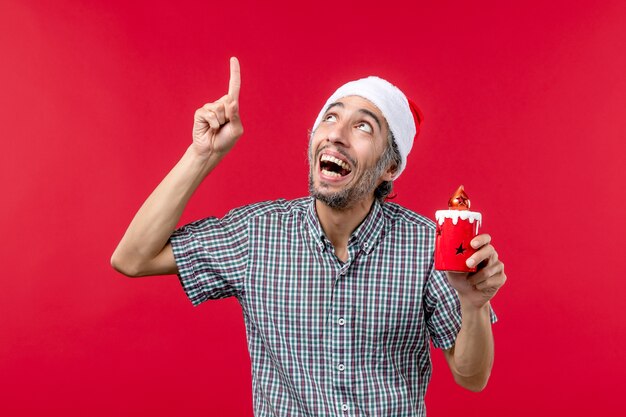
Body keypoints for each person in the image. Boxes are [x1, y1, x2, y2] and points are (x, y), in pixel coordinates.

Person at [111, 57, 506, 416]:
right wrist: (203, 154)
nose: (336, 134)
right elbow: (133, 258)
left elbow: (471, 377)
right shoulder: (258, 234)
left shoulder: (426, 246)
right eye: (330, 118)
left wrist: (473, 307)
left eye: (363, 126)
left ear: (390, 167)